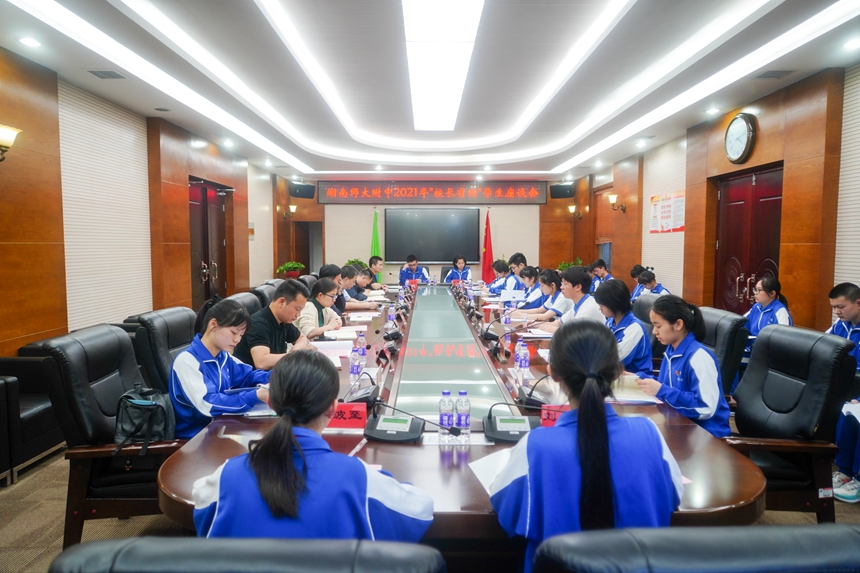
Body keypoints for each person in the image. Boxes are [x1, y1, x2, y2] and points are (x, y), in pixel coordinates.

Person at [489, 321, 683, 573]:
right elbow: (673, 498)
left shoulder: (535, 446)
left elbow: (505, 511)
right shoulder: (650, 435)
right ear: (617, 373)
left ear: (552, 372)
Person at [192, 350, 434, 540]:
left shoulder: (225, 477)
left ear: (271, 403)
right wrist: (384, 480)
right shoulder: (359, 479)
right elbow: (421, 509)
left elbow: (202, 507)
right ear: (333, 408)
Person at [170, 299, 270, 439]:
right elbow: (209, 403)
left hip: (222, 429)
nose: (237, 340)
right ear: (213, 325)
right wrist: (256, 395)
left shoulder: (223, 356)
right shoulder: (187, 361)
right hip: (195, 438)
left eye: (241, 335)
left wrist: (282, 375)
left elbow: (248, 377)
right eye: (234, 332)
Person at [635, 295, 731, 438]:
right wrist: (639, 378)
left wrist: (662, 390)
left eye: (658, 326)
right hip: (678, 426)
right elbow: (668, 387)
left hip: (705, 435)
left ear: (678, 324)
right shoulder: (671, 350)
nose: (654, 331)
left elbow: (706, 407)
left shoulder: (699, 357)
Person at [826, 283, 860, 503]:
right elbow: (823, 344)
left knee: (854, 413)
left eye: (841, 306)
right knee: (843, 411)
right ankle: (845, 472)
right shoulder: (841, 325)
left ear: (858, 303)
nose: (837, 312)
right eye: (834, 307)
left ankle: (858, 479)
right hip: (848, 386)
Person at [730, 276, 793, 393]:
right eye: (755, 289)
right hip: (752, 350)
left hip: (766, 354)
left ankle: (733, 396)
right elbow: (739, 322)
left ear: (772, 293)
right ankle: (730, 394)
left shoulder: (780, 311)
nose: (755, 293)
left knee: (732, 357)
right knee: (727, 352)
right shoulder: (757, 307)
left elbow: (784, 338)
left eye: (759, 290)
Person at [234, 280, 313, 370]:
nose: (298, 315)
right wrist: (294, 356)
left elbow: (301, 338)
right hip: (253, 377)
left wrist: (296, 350)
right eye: (297, 309)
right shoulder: (258, 324)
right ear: (281, 302)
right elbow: (261, 362)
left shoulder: (283, 319)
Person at [594, 279, 653, 377]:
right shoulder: (610, 322)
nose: (600, 309)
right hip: (614, 375)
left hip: (635, 379)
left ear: (614, 304)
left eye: (602, 305)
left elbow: (614, 359)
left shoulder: (634, 328)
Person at [541, 266, 604, 332]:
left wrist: (545, 327)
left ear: (578, 287)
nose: (561, 287)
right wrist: (538, 325)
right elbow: (559, 323)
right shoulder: (578, 303)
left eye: (565, 284)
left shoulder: (587, 308)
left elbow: (571, 333)